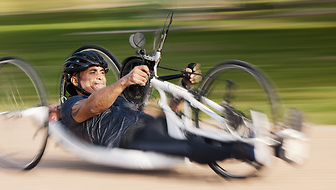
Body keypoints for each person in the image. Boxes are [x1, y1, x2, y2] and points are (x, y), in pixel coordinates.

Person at [60, 50, 271, 166]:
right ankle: (246, 150)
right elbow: (93, 105)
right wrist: (124, 81)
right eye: (92, 72)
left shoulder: (114, 97)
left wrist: (183, 89)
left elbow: (156, 114)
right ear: (76, 81)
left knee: (200, 136)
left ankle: (266, 144)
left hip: (151, 126)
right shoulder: (72, 105)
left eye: (102, 72)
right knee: (186, 147)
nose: (99, 76)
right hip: (131, 138)